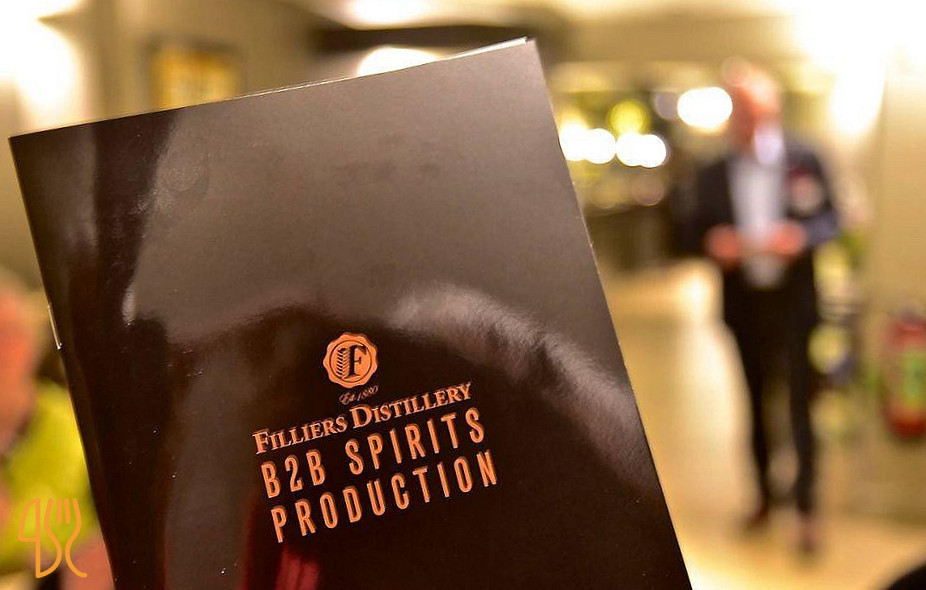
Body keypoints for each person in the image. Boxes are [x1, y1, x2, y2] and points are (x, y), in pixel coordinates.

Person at [687, 63, 840, 553]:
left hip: (793, 303)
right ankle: (763, 498)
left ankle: (806, 507)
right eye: (737, 111)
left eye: (751, 110)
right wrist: (714, 244)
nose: (744, 121)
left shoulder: (803, 158)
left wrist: (801, 237)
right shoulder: (713, 170)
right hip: (745, 304)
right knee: (753, 404)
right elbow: (689, 231)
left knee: (799, 406)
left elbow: (832, 219)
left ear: (770, 110)